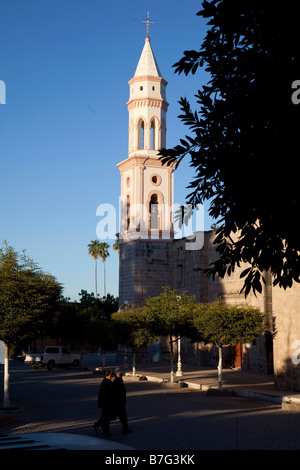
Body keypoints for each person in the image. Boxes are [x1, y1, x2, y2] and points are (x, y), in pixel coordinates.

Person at [93, 369, 114, 436]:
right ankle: (105, 430)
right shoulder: (105, 383)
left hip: (107, 403)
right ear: (108, 375)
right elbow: (104, 394)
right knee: (106, 417)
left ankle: (97, 425)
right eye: (111, 374)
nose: (111, 375)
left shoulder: (107, 381)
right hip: (106, 403)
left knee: (105, 416)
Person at [112, 367, 132, 433]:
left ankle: (125, 428)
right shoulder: (116, 381)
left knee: (122, 416)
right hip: (118, 403)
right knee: (120, 416)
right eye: (120, 373)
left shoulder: (119, 380)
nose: (121, 374)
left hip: (120, 402)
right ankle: (98, 425)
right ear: (117, 374)